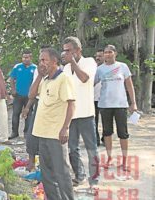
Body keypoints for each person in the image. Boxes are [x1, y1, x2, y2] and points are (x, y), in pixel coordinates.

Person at [30, 47, 75, 199]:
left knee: (61, 172)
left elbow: (71, 104)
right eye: (40, 60)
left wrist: (65, 128)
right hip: (42, 133)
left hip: (56, 134)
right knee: (46, 173)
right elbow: (31, 94)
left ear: (54, 61)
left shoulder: (63, 78)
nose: (41, 63)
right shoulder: (45, 80)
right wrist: (39, 76)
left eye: (44, 60)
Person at [62, 36, 99, 189]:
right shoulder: (65, 68)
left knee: (91, 148)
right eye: (64, 51)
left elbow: (84, 78)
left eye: (69, 50)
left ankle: (94, 180)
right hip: (71, 115)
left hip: (86, 114)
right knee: (72, 149)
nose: (66, 54)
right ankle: (79, 176)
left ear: (78, 50)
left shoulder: (89, 62)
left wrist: (73, 62)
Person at [95, 45, 137, 171]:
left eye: (110, 52)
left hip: (120, 105)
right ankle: (109, 159)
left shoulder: (122, 66)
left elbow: (129, 86)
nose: (107, 54)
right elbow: (90, 84)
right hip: (105, 105)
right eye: (105, 52)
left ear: (115, 53)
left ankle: (124, 161)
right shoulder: (99, 69)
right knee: (107, 132)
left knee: (123, 133)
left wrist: (133, 103)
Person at [9, 50, 37, 140]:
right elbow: (12, 78)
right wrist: (13, 90)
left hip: (30, 96)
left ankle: (27, 133)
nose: (25, 59)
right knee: (15, 114)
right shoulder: (17, 67)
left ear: (30, 57)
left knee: (28, 114)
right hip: (18, 95)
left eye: (27, 57)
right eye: (23, 57)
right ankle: (14, 132)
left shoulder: (35, 68)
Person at [94, 50, 105, 146]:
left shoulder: (107, 69)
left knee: (106, 120)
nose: (98, 58)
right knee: (94, 121)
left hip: (105, 99)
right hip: (93, 99)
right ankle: (95, 139)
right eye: (97, 56)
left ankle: (105, 138)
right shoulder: (92, 68)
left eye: (100, 56)